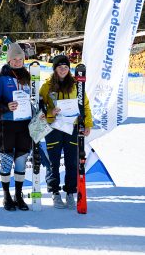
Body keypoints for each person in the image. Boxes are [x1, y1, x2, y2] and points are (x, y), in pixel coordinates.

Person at [39, 54, 93, 209]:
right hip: (53, 129)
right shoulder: (46, 86)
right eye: (60, 67)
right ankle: (55, 192)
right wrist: (51, 112)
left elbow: (85, 105)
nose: (63, 70)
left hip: (72, 128)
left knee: (71, 162)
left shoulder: (76, 85)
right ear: (54, 69)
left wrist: (87, 123)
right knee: (53, 162)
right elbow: (40, 110)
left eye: (66, 67)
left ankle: (70, 192)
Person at [0, 42, 32, 211]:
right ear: (8, 60)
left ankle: (18, 195)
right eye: (14, 59)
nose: (17, 62)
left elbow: (33, 99)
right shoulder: (0, 79)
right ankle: (6, 196)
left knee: (21, 159)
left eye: (20, 59)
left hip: (24, 124)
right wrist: (6, 107)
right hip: (6, 124)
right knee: (7, 160)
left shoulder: (28, 77)